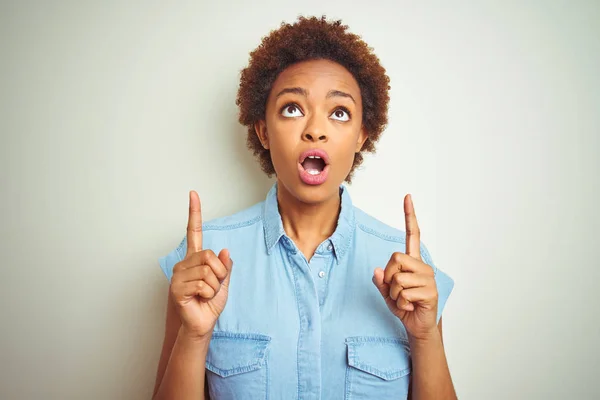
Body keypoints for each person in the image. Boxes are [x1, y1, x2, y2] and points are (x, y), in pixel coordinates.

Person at [152, 16, 456, 400]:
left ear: (363, 135)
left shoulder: (408, 266)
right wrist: (195, 335)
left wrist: (425, 335)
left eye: (339, 112)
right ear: (263, 131)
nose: (316, 129)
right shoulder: (202, 261)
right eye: (293, 108)